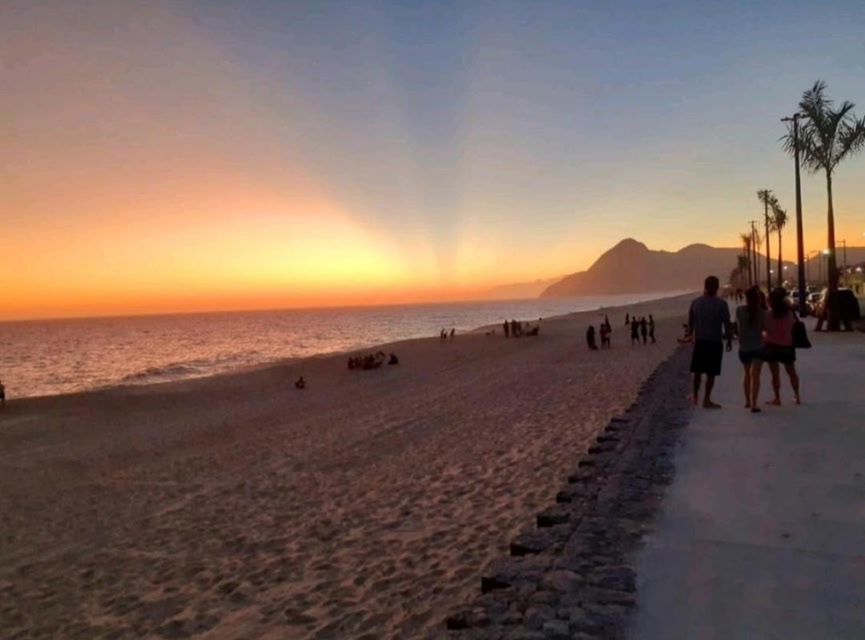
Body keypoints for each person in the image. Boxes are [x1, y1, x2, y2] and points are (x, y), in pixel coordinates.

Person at [688, 275, 733, 408]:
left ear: (705, 287)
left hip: (700, 341)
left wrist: (691, 334)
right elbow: (727, 323)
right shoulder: (721, 304)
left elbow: (691, 320)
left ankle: (695, 396)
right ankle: (706, 399)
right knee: (711, 373)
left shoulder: (696, 303)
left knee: (697, 371)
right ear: (717, 287)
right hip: (715, 342)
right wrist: (729, 340)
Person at [762, 287, 801, 405]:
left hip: (771, 346)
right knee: (792, 372)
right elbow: (794, 326)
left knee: (775, 374)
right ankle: (797, 396)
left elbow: (764, 329)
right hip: (787, 346)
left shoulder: (767, 315)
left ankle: (777, 398)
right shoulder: (790, 314)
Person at [735, 286, 766, 412]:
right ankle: (754, 403)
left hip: (744, 347)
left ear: (746, 299)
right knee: (756, 376)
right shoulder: (762, 313)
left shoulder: (739, 310)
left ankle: (747, 401)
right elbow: (764, 329)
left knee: (747, 374)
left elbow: (738, 326)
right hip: (758, 346)